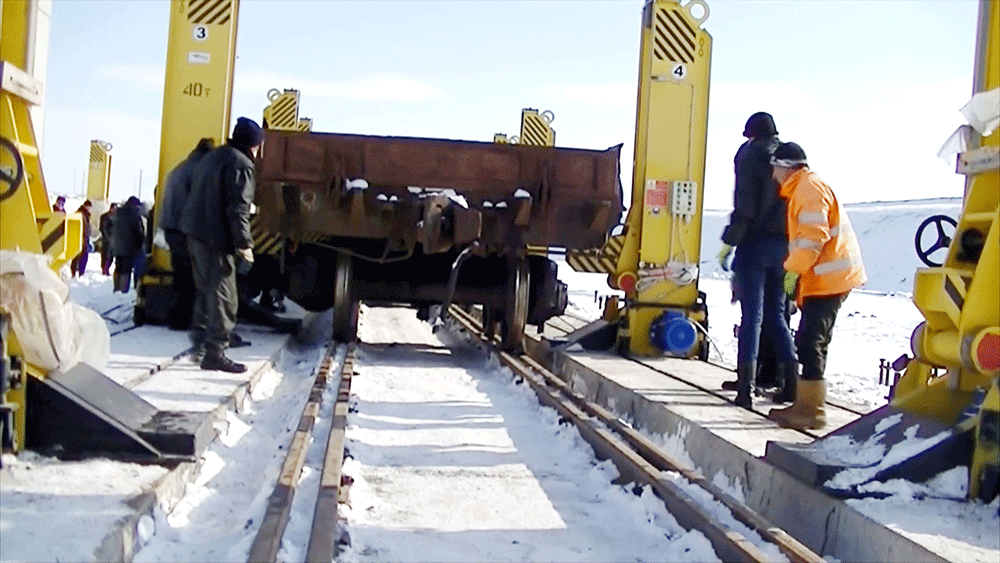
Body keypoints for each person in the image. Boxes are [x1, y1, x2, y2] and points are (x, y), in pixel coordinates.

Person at [767, 142, 867, 430]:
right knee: (810, 340)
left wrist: (791, 272)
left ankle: (812, 411)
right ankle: (805, 404)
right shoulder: (803, 188)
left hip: (831, 278)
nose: (774, 175)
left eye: (775, 169)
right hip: (824, 277)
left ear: (786, 168)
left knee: (811, 341)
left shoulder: (808, 190)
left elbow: (812, 238)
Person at [716, 112, 797, 408]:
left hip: (755, 244)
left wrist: (729, 242)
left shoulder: (751, 155)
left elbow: (745, 206)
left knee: (752, 318)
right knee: (777, 316)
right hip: (786, 247)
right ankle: (791, 387)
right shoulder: (790, 156)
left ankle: (745, 390)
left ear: (751, 135)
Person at [181, 117, 262, 373]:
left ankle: (201, 343)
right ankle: (215, 353)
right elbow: (237, 209)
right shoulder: (241, 164)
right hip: (216, 240)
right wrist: (244, 244)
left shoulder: (212, 158)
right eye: (259, 144)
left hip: (195, 234)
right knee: (225, 300)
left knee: (206, 293)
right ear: (251, 144)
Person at [161, 138, 215, 330]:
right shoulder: (199, 170)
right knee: (192, 278)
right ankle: (185, 320)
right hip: (186, 231)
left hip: (171, 228)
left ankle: (179, 318)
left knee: (181, 275)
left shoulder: (179, 168)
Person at [112, 196, 145, 293]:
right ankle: (123, 290)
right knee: (126, 270)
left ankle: (117, 288)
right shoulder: (134, 214)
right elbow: (138, 231)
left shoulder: (118, 212)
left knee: (119, 266)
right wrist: (140, 243)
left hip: (118, 247)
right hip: (129, 248)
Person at [70, 200, 93, 277]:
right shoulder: (79, 213)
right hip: (79, 237)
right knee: (77, 256)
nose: (88, 208)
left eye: (89, 207)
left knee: (84, 256)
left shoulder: (87, 215)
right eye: (87, 206)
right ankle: (74, 272)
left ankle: (81, 272)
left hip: (85, 238)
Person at [99, 203, 117, 275]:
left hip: (114, 240)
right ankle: (105, 270)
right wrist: (107, 237)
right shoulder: (105, 217)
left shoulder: (117, 217)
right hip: (107, 240)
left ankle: (107, 269)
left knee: (111, 257)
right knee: (106, 256)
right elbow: (103, 228)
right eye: (113, 208)